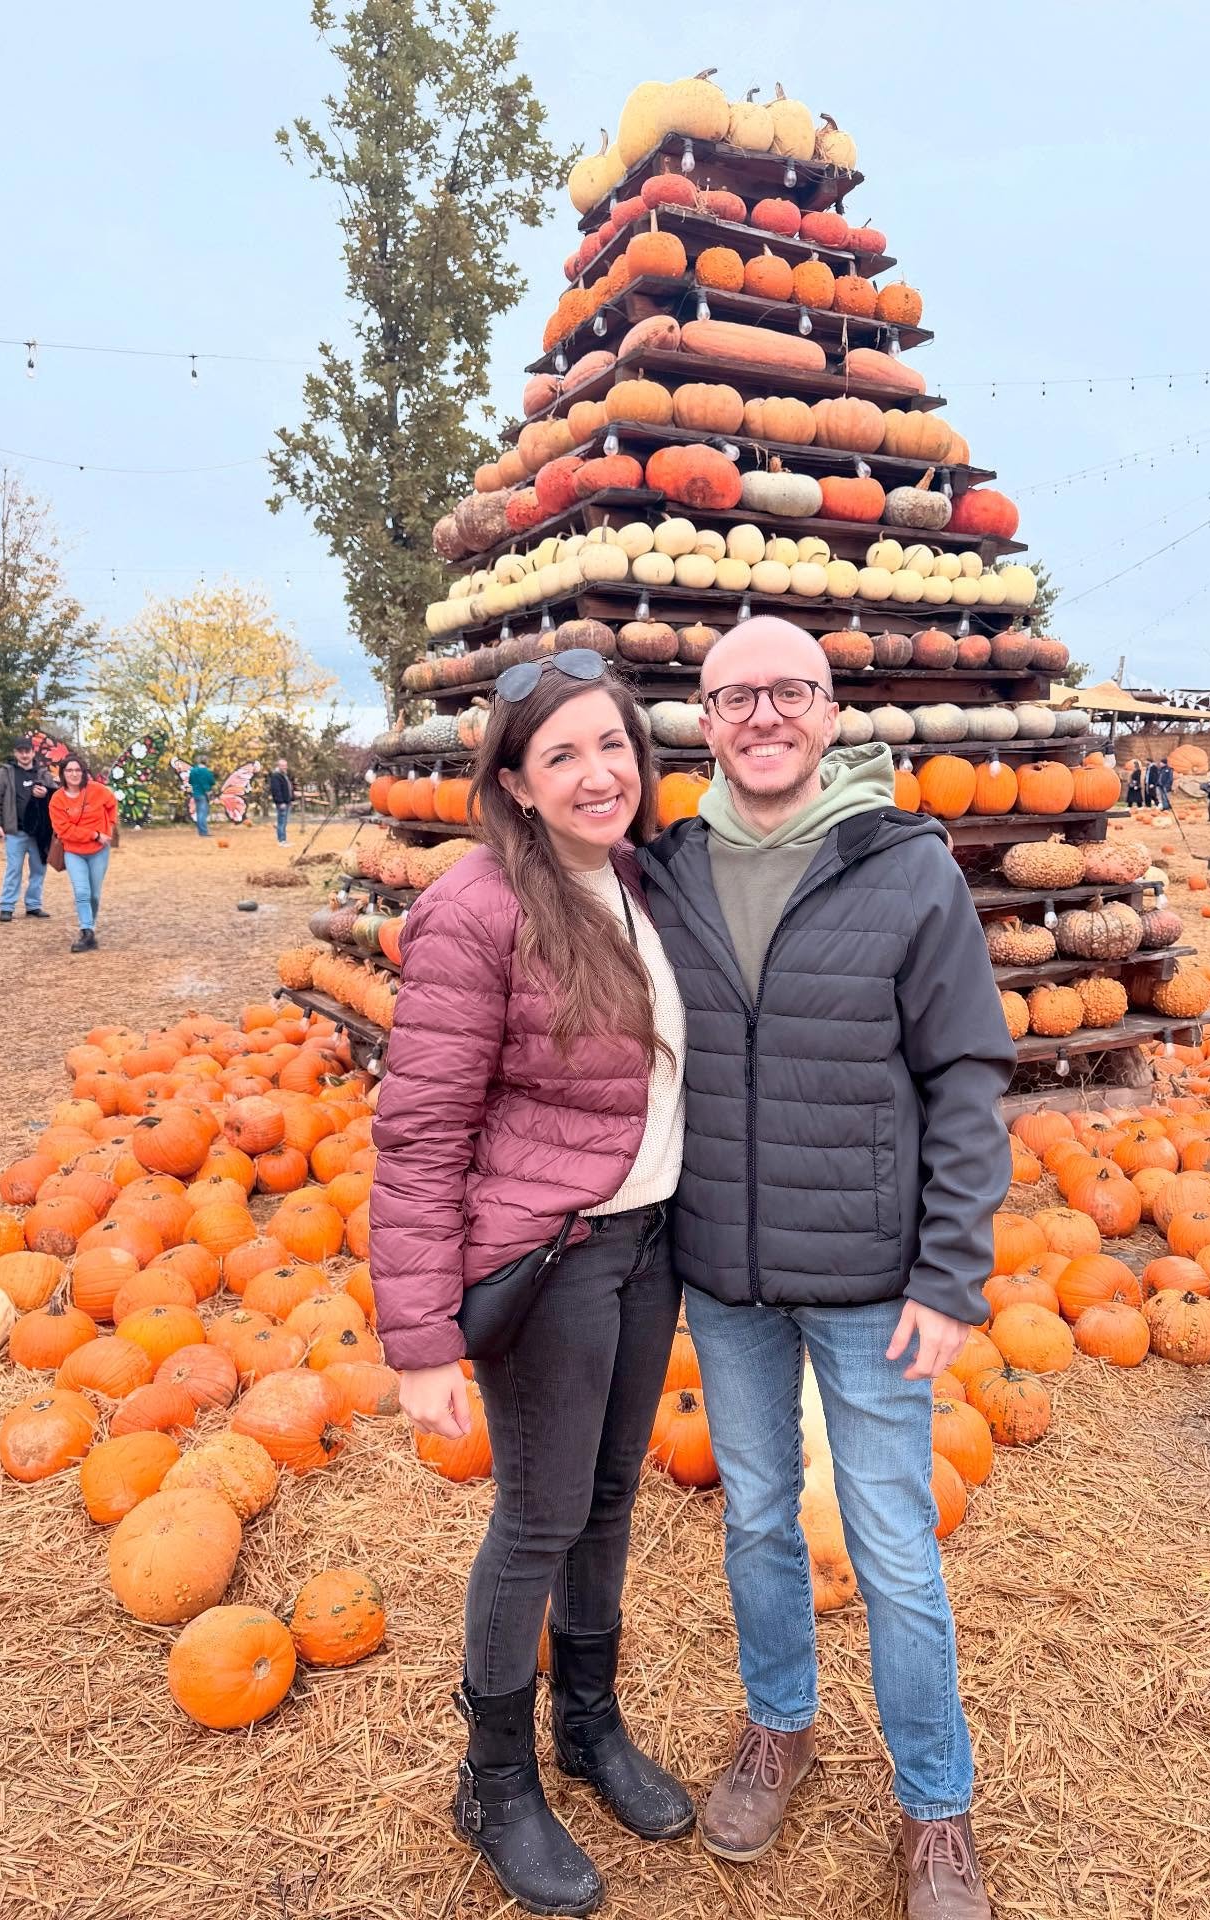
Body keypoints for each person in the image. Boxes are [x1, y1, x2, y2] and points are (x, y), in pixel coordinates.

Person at [640, 617, 1016, 1919]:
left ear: (830, 709)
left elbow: (967, 1076)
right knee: (754, 1520)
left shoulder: (907, 871)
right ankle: (780, 1727)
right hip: (725, 1277)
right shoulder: (666, 871)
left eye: (788, 691)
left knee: (895, 1546)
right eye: (734, 694)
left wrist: (950, 1270)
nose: (762, 716)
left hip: (869, 1277)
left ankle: (935, 1808)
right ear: (702, 717)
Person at [370, 650, 693, 1919]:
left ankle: (589, 1724)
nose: (595, 772)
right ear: (514, 780)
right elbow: (422, 1130)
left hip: (647, 1241)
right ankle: (494, 1779)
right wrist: (419, 1339)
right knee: (539, 1517)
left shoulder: (639, 883)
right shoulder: (477, 906)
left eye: (610, 746)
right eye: (560, 755)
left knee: (610, 1496)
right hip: (548, 1256)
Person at [48, 753, 117, 952]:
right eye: (69, 770)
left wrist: (109, 827)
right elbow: (64, 830)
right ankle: (86, 931)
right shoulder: (57, 800)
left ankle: (91, 927)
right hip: (73, 852)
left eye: (78, 770)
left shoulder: (97, 790)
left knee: (94, 894)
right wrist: (94, 834)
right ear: (62, 773)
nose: (74, 774)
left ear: (84, 772)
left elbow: (112, 805)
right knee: (82, 892)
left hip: (98, 851)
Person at [0, 737, 55, 922]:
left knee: (39, 869)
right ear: (15, 753)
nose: (24, 754)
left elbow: (56, 795)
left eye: (27, 751)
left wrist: (46, 793)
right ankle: (7, 907)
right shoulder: (5, 772)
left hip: (38, 833)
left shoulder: (42, 773)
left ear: (33, 753)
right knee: (13, 869)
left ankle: (33, 905)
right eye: (20, 751)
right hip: (14, 831)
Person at [269, 759, 295, 844]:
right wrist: (280, 802)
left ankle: (284, 839)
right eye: (283, 765)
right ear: (278, 766)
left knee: (284, 822)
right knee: (281, 822)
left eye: (285, 765)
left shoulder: (284, 776)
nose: (285, 767)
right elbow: (276, 790)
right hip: (282, 803)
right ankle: (281, 840)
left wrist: (291, 799)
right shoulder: (276, 776)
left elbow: (288, 788)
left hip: (287, 802)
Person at [188, 759, 216, 835]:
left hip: (195, 794)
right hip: (204, 794)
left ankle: (201, 831)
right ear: (206, 763)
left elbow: (190, 781)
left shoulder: (193, 771)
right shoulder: (207, 771)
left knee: (199, 813)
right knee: (203, 813)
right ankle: (203, 832)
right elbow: (212, 782)